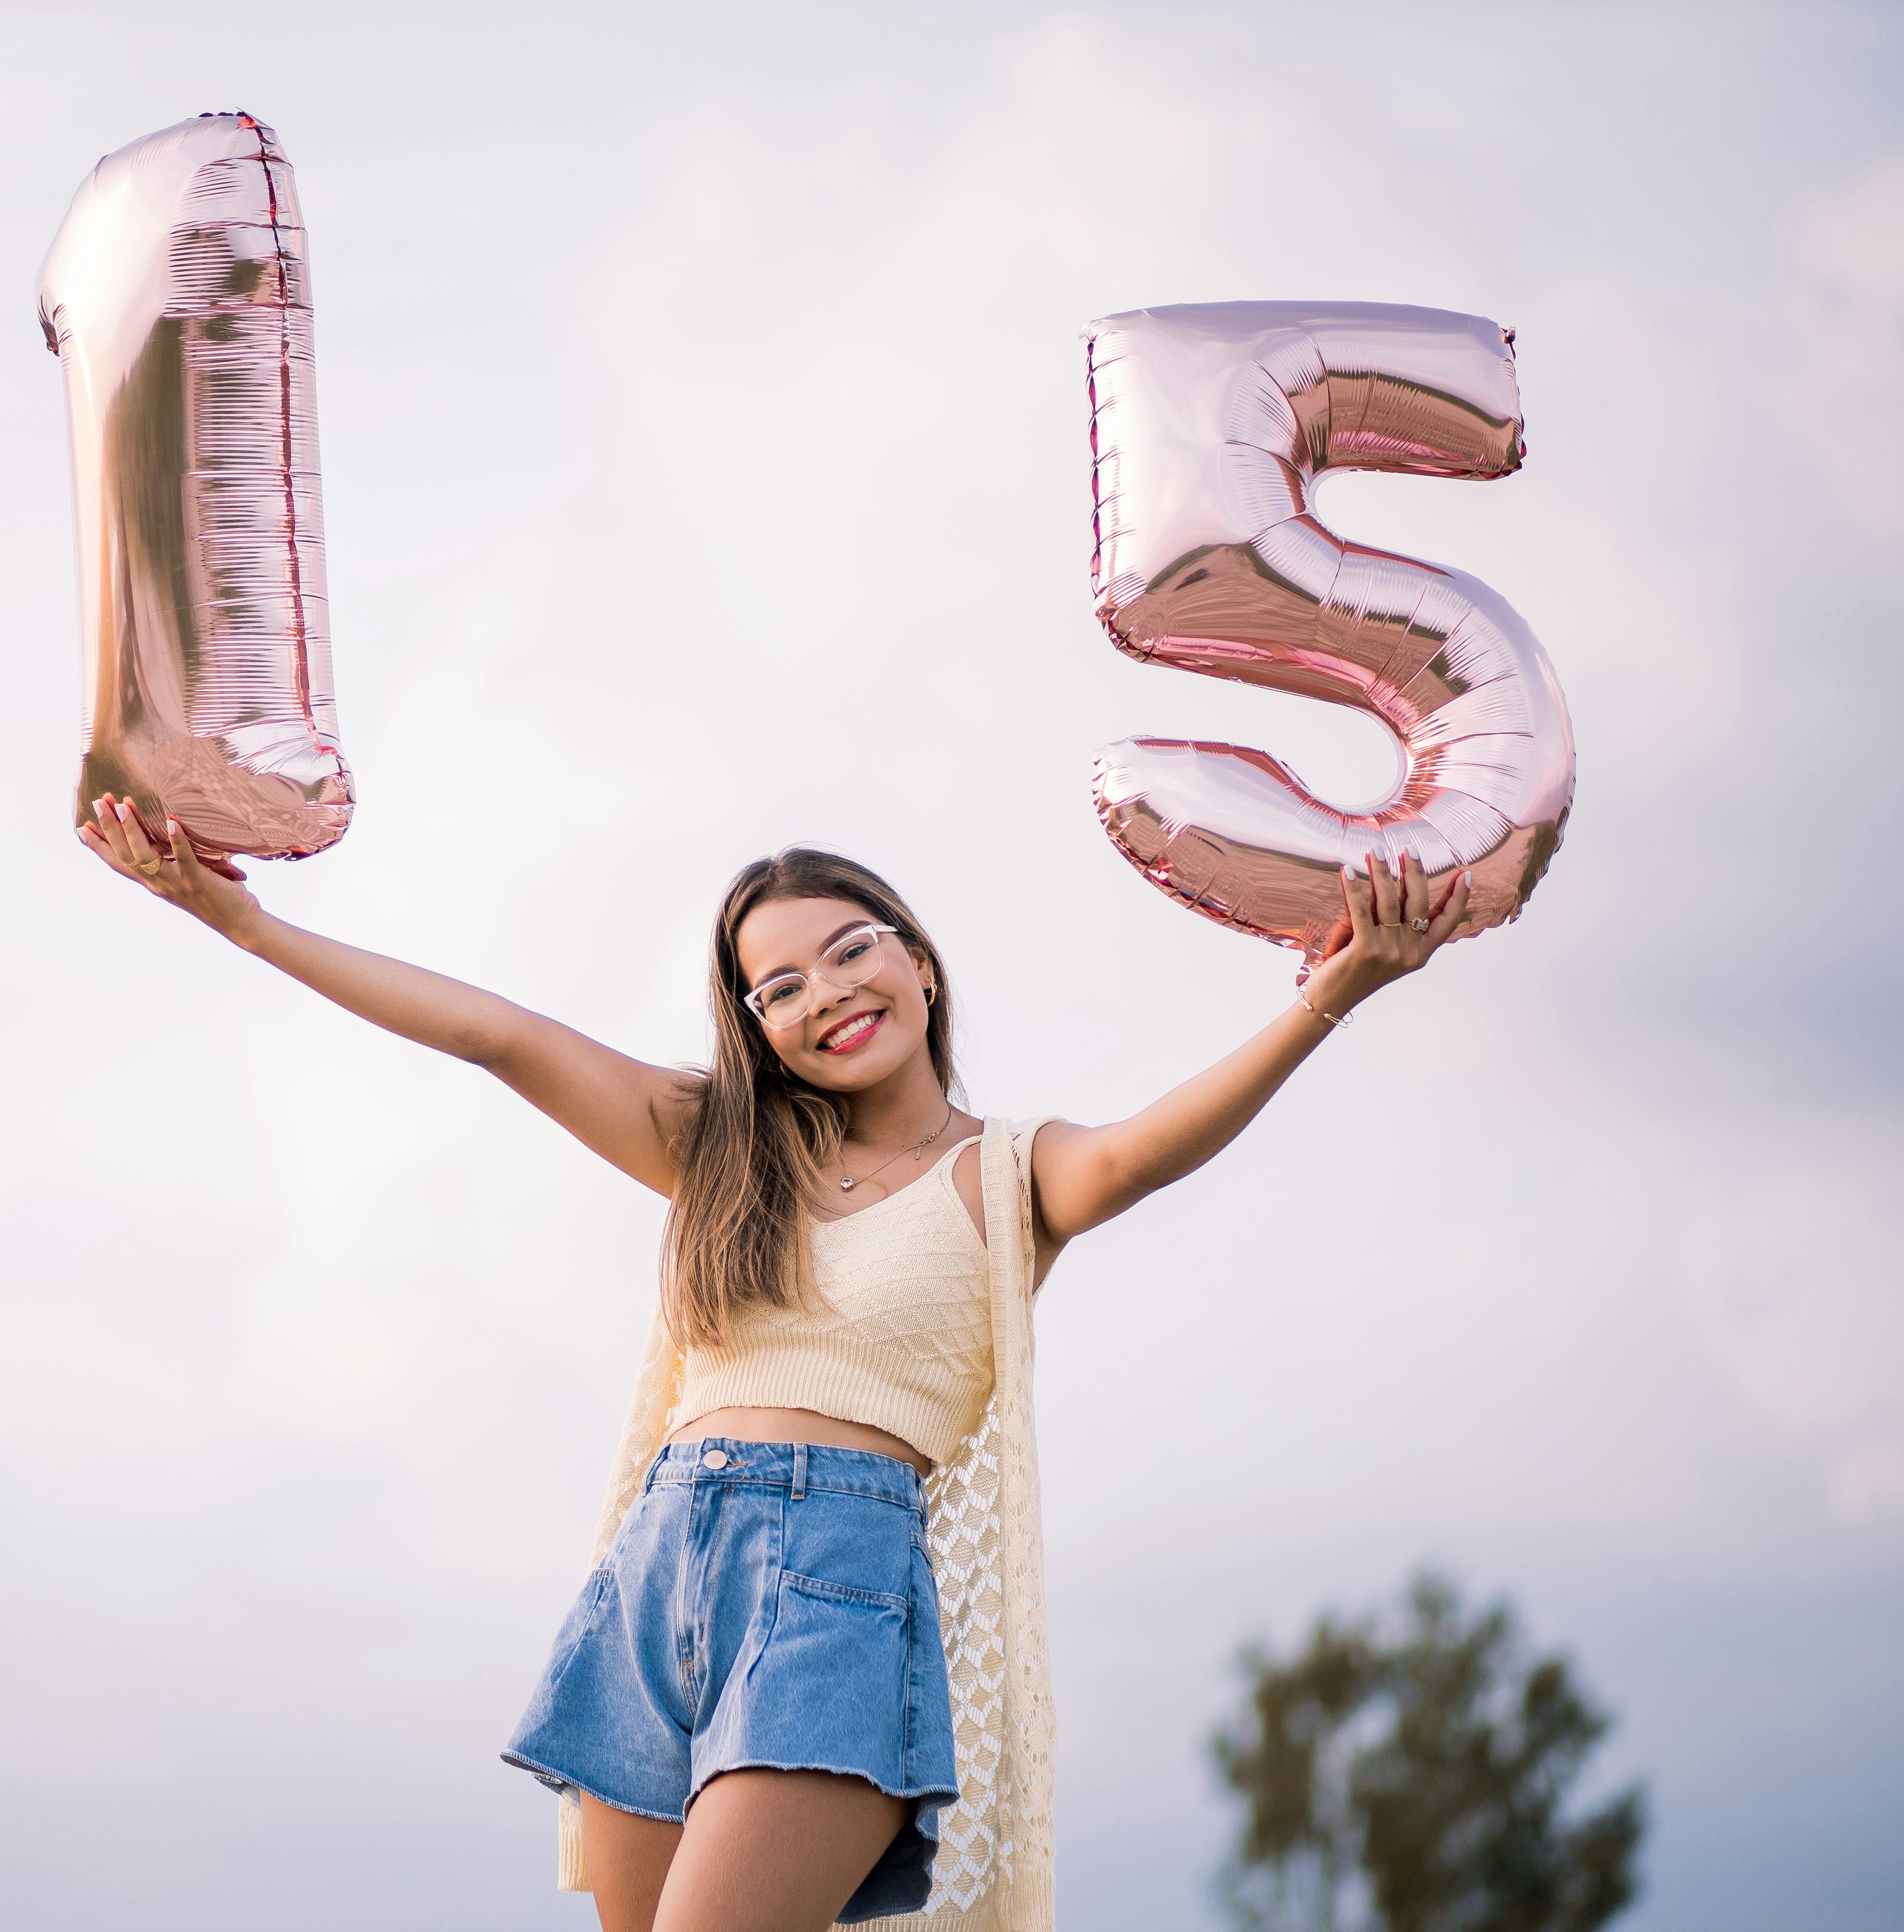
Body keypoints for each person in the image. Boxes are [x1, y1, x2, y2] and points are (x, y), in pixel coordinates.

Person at [80, 796, 1471, 1932]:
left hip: (836, 1593)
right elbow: (491, 1033)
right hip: (659, 1572)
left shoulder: (1010, 1174)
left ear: (920, 961)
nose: (827, 995)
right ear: (757, 1030)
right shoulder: (725, 1153)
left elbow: (1147, 1145)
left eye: (853, 951)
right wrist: (241, 919)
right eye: (778, 987)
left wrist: (1331, 995)